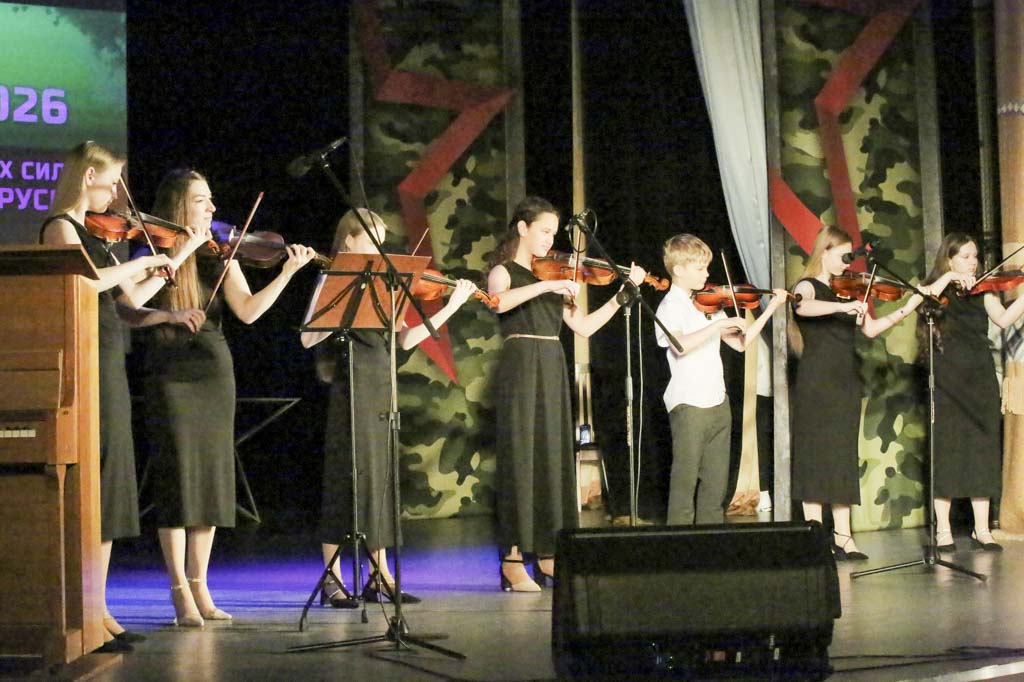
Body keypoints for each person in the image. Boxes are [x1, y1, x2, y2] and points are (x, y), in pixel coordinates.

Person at [40, 142, 210, 651]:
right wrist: (140, 264)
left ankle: (99, 610)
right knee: (92, 484)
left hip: (110, 364)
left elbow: (128, 305)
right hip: (84, 366)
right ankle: (85, 612)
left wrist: (174, 261)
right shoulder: (60, 228)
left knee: (110, 489)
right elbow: (87, 283)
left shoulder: (98, 235)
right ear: (88, 175)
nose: (116, 192)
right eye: (111, 181)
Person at [142, 168, 317, 626]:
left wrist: (288, 272)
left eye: (211, 199)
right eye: (202, 200)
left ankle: (201, 585)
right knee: (178, 479)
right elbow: (133, 305)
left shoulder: (223, 251)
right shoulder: (153, 249)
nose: (213, 208)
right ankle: (179, 590)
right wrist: (183, 250)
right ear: (180, 205)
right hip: (171, 371)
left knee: (211, 479)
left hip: (214, 371)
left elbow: (249, 311)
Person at [300, 208, 475, 606]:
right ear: (349, 241)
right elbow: (307, 339)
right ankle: (332, 578)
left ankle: (379, 574)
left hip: (382, 386)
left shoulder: (384, 285)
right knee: (347, 477)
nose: (380, 250)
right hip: (351, 386)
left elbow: (405, 340)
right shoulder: (334, 280)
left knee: (379, 479)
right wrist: (344, 308)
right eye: (371, 241)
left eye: (382, 242)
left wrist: (452, 305)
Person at [487, 196, 645, 592]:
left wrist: (621, 296)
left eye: (553, 233)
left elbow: (584, 327)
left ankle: (547, 555)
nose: (549, 240)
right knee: (521, 459)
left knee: (552, 459)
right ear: (522, 228)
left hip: (552, 364)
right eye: (544, 231)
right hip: (521, 364)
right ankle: (511, 560)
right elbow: (498, 302)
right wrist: (547, 285)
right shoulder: (504, 272)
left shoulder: (553, 276)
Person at [791, 226, 924, 560]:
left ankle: (843, 536)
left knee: (841, 456)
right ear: (824, 252)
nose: (848, 263)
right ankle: (815, 538)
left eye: (850, 256)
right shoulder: (808, 286)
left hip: (845, 381)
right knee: (815, 456)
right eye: (843, 256)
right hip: (816, 382)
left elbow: (872, 329)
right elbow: (802, 307)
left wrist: (909, 307)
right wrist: (840, 308)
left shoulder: (848, 290)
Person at [655, 234, 787, 527]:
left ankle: (710, 542)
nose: (707, 274)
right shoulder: (670, 306)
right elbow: (680, 344)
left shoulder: (708, 305)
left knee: (715, 486)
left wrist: (771, 309)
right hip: (689, 404)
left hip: (718, 402)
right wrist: (718, 325)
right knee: (685, 481)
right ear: (679, 270)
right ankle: (677, 542)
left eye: (706, 267)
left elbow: (741, 344)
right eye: (700, 268)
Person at [918, 233, 1024, 552]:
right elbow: (923, 299)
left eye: (975, 256)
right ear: (949, 259)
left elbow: (1003, 320)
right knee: (947, 451)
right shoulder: (937, 289)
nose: (973, 262)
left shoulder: (983, 290)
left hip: (980, 377)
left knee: (982, 451)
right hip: (948, 379)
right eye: (964, 256)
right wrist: (949, 278)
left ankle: (982, 528)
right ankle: (944, 531)